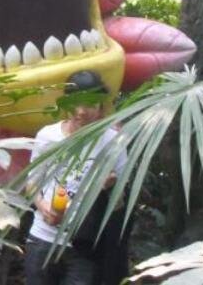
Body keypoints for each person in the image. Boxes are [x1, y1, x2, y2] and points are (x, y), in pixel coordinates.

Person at [24, 70, 127, 285]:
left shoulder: (114, 141)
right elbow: (32, 183)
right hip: (42, 239)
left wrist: (109, 187)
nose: (81, 111)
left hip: (84, 246)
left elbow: (119, 204)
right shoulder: (48, 136)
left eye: (89, 104)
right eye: (75, 103)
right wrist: (44, 208)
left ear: (100, 104)